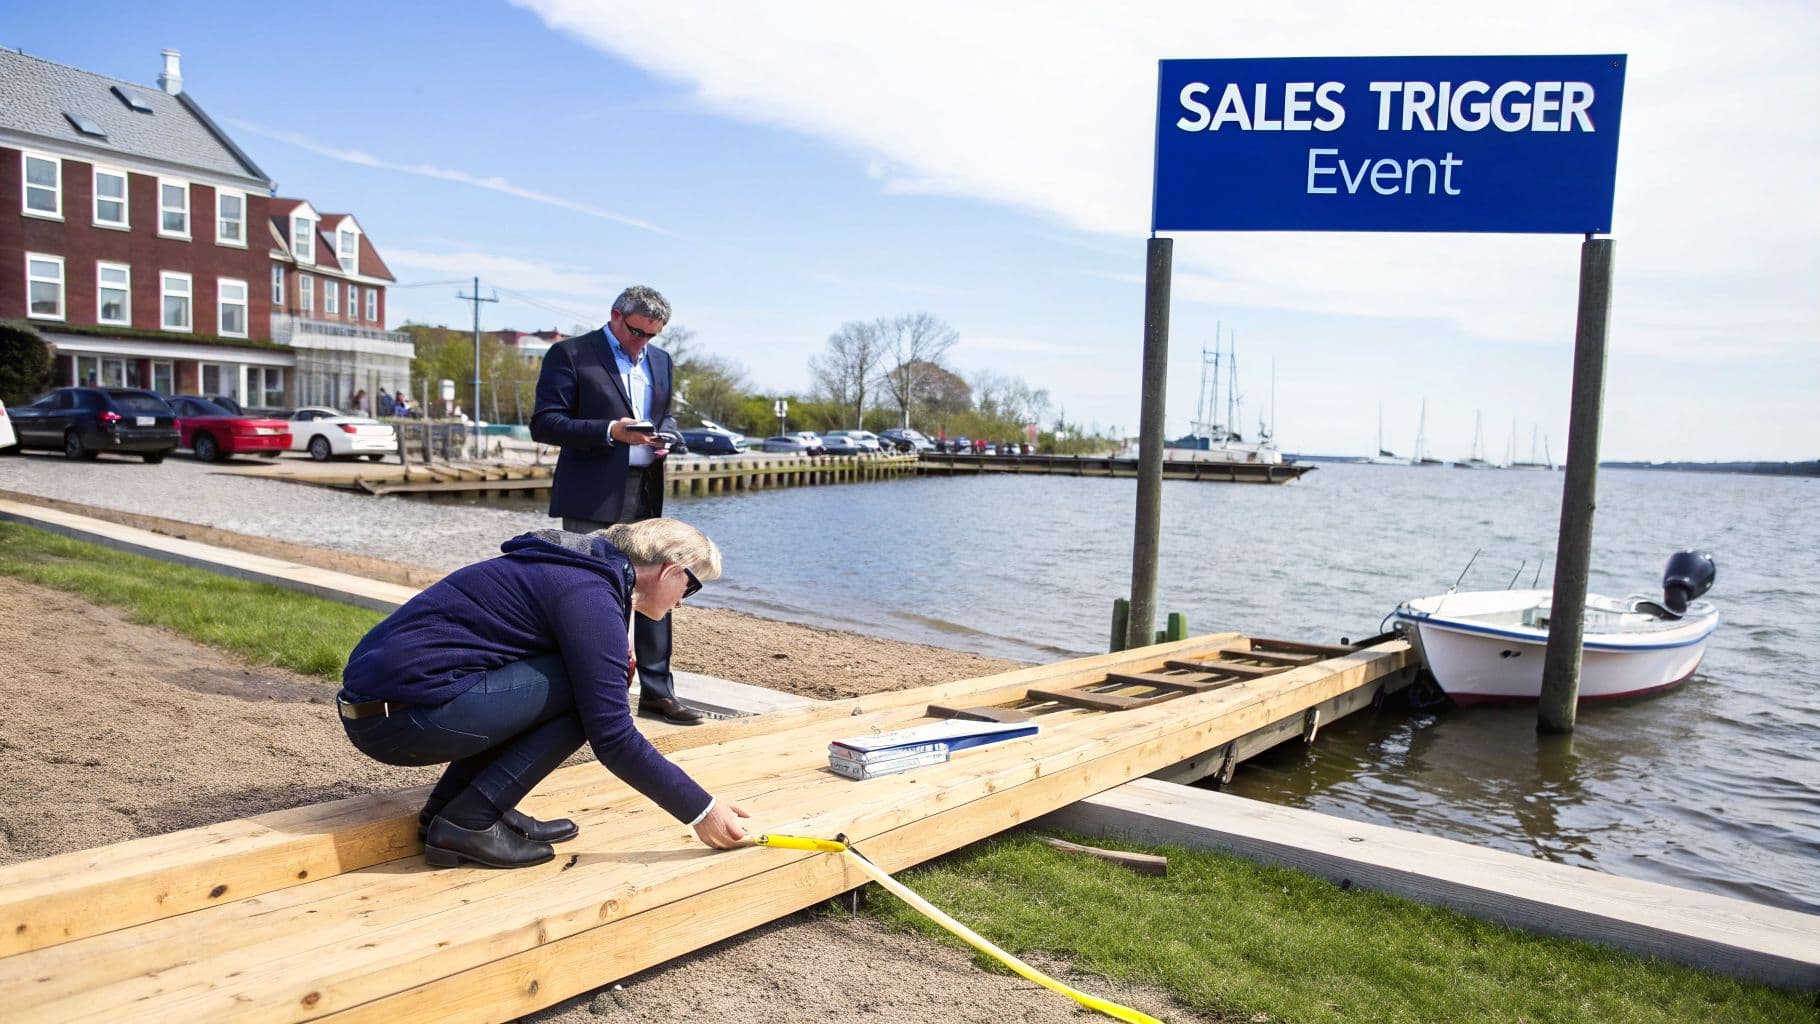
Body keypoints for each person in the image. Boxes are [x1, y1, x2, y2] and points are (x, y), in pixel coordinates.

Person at [337, 519, 750, 868]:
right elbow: (613, 736)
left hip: (384, 711)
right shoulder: (587, 592)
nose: (682, 603)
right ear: (669, 569)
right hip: (405, 721)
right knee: (590, 689)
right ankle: (471, 820)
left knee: (584, 677)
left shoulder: (573, 569)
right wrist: (702, 810)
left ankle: (453, 812)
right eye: (691, 588)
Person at [531, 285, 698, 726]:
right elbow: (545, 423)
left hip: (647, 490)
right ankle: (588, 695)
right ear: (616, 316)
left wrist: (667, 437)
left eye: (652, 335)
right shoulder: (570, 354)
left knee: (659, 584)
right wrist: (610, 431)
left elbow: (666, 417)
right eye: (638, 332)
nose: (643, 343)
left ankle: (658, 694)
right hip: (592, 492)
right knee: (588, 594)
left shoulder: (661, 361)